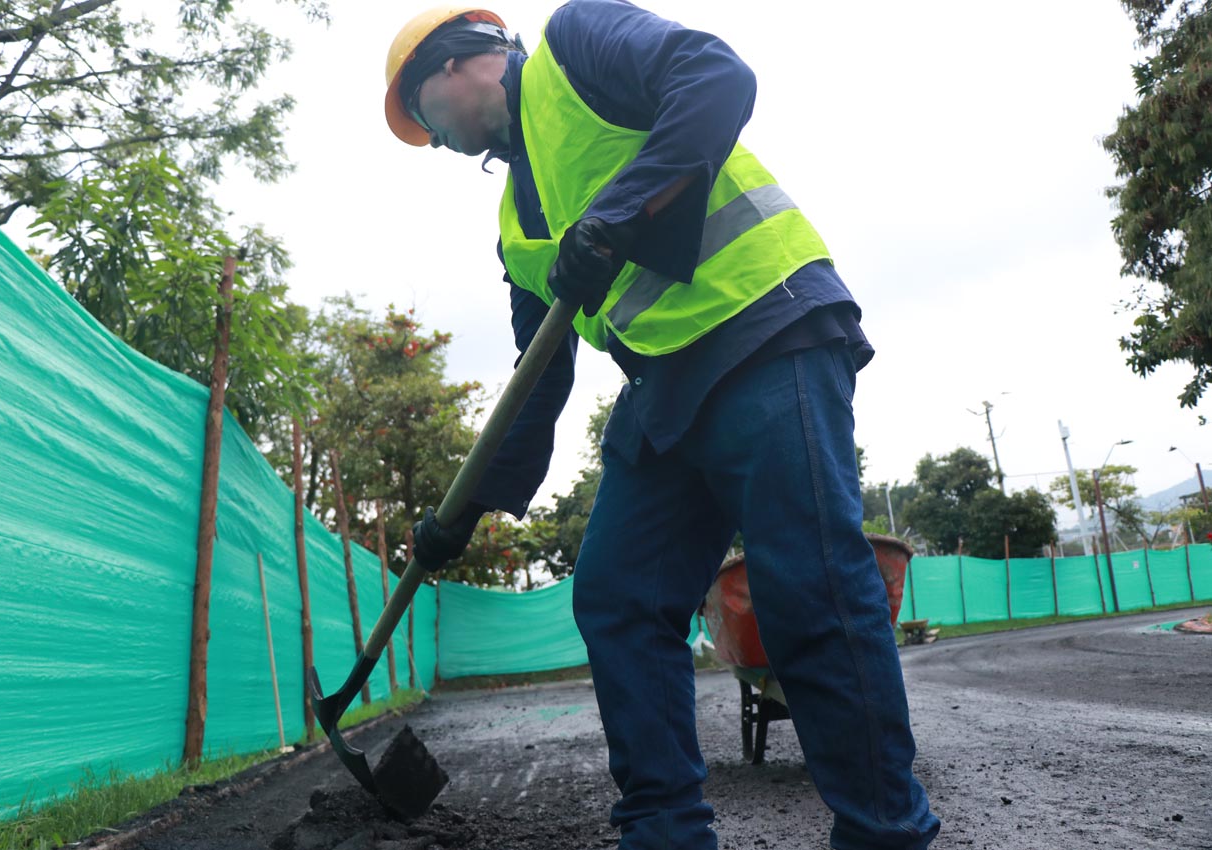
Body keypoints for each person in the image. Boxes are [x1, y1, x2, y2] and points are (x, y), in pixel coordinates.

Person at [393, 2, 940, 848]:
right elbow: (533, 384)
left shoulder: (575, 47)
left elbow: (717, 78)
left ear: (455, 65)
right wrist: (456, 520)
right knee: (617, 598)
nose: (428, 139)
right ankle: (664, 832)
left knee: (810, 588)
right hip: (667, 385)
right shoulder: (513, 230)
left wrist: (618, 214)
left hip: (765, 326)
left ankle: (883, 834)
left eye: (419, 113)